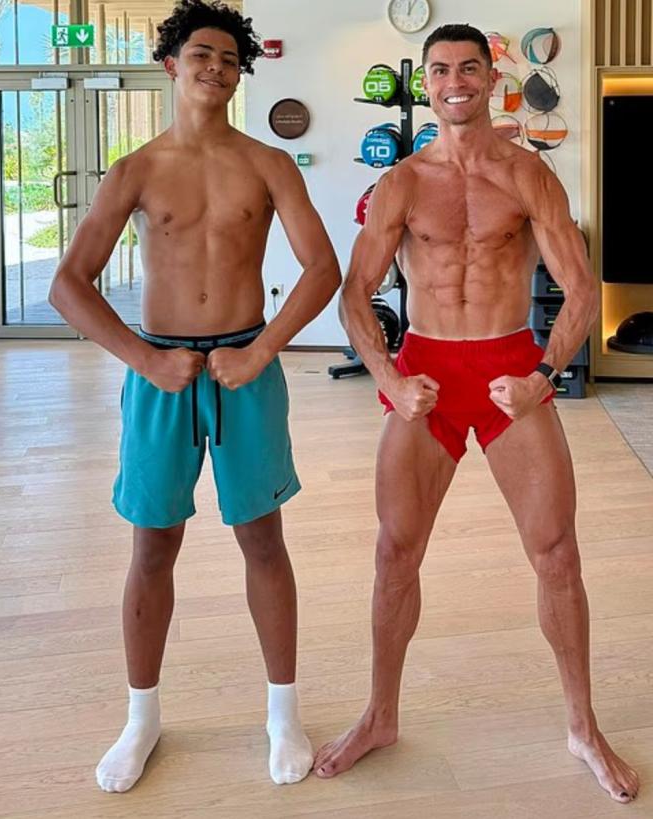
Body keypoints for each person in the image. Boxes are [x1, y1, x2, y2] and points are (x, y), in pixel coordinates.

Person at [313, 23, 639, 804]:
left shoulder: (528, 176)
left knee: (557, 553)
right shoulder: (400, 184)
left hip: (507, 368)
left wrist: (543, 375)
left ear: (493, 80)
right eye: (440, 70)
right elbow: (355, 293)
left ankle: (583, 725)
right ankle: (381, 715)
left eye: (468, 68)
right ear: (425, 83)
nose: (454, 82)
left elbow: (581, 287)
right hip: (426, 370)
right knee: (395, 552)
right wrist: (390, 378)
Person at [49, 0, 340, 792]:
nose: (216, 67)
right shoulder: (135, 170)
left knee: (263, 539)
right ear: (171, 64)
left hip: (246, 368)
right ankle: (140, 718)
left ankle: (283, 713)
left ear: (240, 75)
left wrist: (263, 350)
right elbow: (68, 284)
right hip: (162, 373)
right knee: (152, 545)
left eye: (230, 59)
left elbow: (322, 269)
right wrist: (145, 359)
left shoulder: (269, 164)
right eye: (202, 54)